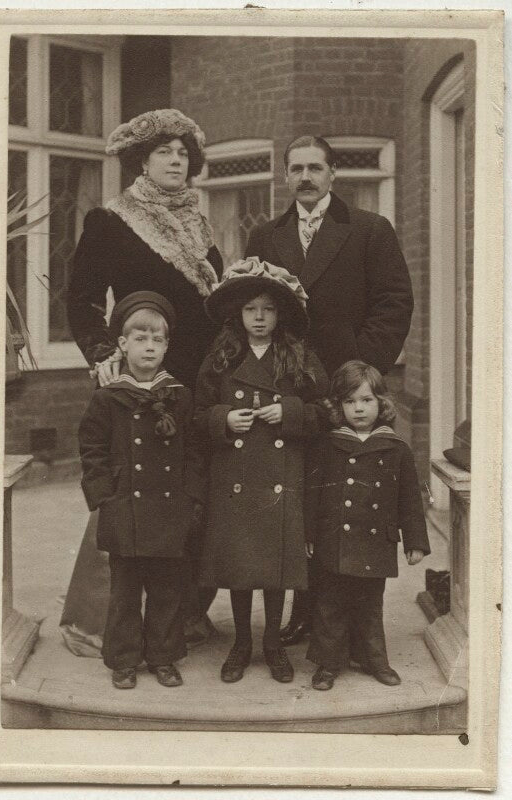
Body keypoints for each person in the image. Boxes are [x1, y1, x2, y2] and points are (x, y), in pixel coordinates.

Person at [61, 109, 223, 655]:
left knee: (187, 497)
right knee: (128, 496)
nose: (176, 161)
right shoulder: (111, 221)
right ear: (142, 161)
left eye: (183, 153)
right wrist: (105, 353)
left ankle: (177, 622)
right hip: (138, 373)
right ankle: (98, 623)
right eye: (164, 152)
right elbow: (80, 300)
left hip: (195, 383)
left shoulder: (200, 225)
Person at [245, 134, 414, 646]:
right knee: (297, 501)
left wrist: (361, 372)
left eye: (315, 167)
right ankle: (303, 612)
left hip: (343, 392)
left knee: (344, 503)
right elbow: (251, 307)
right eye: (295, 168)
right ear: (285, 176)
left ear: (333, 173)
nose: (305, 178)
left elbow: (394, 304)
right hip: (287, 394)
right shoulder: (266, 236)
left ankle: (350, 624)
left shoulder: (368, 230)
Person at [194, 258, 329, 684]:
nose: (258, 317)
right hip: (233, 474)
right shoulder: (219, 357)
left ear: (280, 314)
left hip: (281, 475)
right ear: (238, 312)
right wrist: (223, 420)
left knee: (274, 567)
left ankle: (272, 642)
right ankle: (241, 644)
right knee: (238, 565)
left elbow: (325, 411)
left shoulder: (298, 357)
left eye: (268, 309)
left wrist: (287, 411)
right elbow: (194, 416)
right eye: (251, 308)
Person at [78, 291, 205, 689]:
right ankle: (124, 660)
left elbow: (195, 452)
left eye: (157, 340)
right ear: (122, 344)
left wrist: (191, 499)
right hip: (125, 510)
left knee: (168, 590)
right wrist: (105, 498)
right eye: (140, 338)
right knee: (126, 593)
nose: (149, 347)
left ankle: (163, 657)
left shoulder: (179, 396)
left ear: (167, 346)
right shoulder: (107, 398)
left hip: (170, 512)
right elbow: (92, 450)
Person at [304, 360, 430, 691]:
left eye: (366, 400)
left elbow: (409, 499)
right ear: (338, 406)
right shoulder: (328, 445)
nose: (358, 409)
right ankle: (328, 664)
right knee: (330, 604)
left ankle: (374, 659)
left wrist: (415, 541)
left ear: (381, 403)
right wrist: (308, 535)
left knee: (370, 605)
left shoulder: (396, 448)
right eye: (349, 401)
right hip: (335, 539)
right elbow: (313, 494)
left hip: (375, 542)